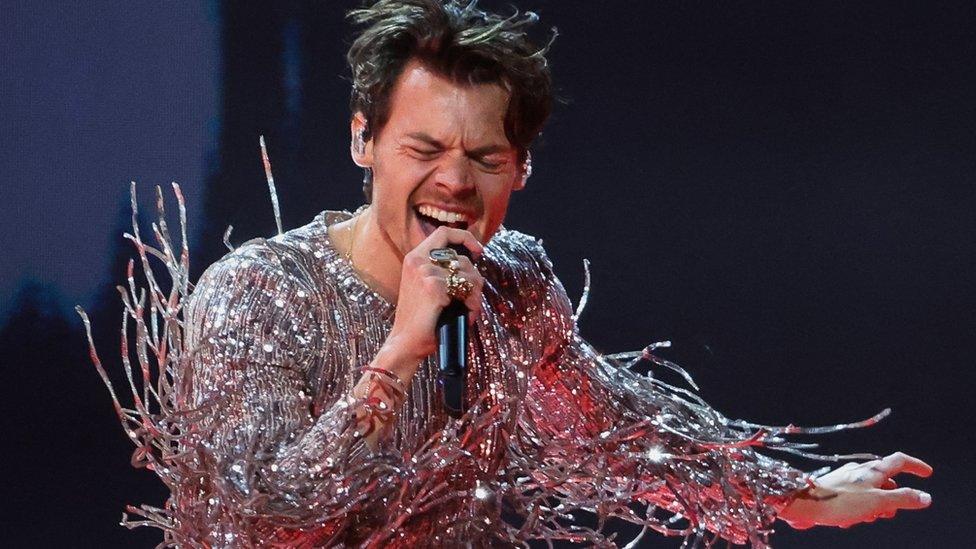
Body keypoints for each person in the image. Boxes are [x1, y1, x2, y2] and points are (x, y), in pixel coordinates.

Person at [82, 1, 932, 546]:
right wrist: (399, 354)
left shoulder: (513, 283)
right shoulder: (255, 293)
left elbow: (618, 431)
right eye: (424, 148)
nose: (455, 181)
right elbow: (258, 518)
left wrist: (799, 493)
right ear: (362, 142)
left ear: (520, 169)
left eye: (484, 155)